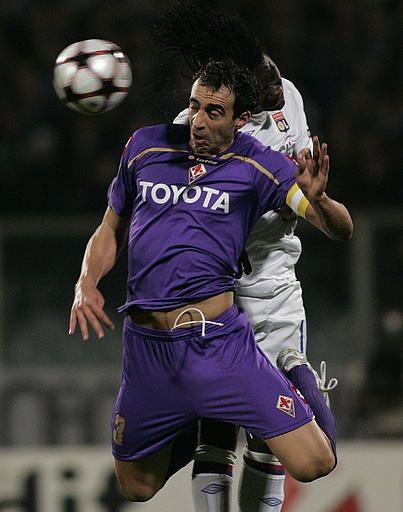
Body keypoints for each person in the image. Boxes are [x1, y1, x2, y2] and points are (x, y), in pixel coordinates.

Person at [69, 58, 347, 505]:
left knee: (315, 463)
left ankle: (301, 389)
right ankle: (204, 416)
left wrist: (322, 201)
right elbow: (109, 228)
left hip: (218, 344)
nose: (198, 121)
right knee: (136, 487)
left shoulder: (257, 163)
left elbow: (339, 228)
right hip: (148, 348)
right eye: (194, 106)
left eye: (213, 112)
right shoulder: (146, 146)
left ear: (241, 120)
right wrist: (87, 281)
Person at [153, 3, 352, 511]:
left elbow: (312, 204)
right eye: (264, 85)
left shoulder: (290, 100)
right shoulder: (197, 130)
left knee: (273, 442)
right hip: (218, 299)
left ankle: (297, 379)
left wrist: (315, 200)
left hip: (276, 291)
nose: (275, 88)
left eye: (274, 75)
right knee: (216, 432)